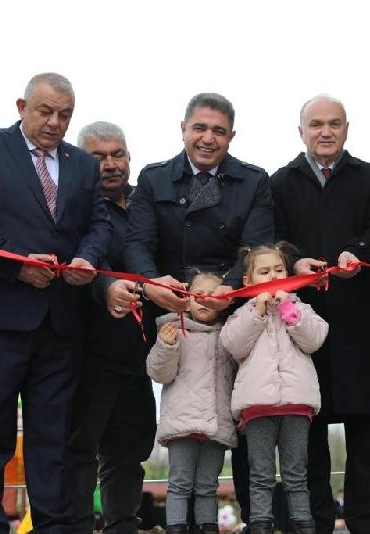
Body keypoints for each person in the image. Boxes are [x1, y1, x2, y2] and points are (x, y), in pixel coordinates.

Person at [0, 72, 111, 532]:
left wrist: (87, 258)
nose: (55, 122)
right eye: (45, 111)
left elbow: (99, 224)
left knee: (53, 440)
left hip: (60, 325)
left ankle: (51, 527)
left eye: (65, 115)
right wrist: (16, 264)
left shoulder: (82, 164)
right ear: (22, 107)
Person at [124, 92, 273, 525]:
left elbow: (256, 246)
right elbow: (137, 243)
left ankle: (253, 520)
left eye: (219, 131)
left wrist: (227, 290)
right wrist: (153, 284)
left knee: (244, 419)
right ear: (183, 129)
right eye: (200, 128)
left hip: (236, 315)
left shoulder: (254, 181)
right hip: (173, 314)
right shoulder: (153, 179)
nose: (208, 138)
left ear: (231, 136)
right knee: (177, 417)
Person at [271, 95, 370, 534]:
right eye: (316, 124)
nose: (325, 131)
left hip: (361, 321)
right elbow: (272, 239)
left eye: (334, 123)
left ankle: (367, 525)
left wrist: (359, 251)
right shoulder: (280, 183)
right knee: (307, 433)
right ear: (301, 132)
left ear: (347, 128)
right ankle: (316, 524)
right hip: (302, 324)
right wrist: (293, 262)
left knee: (367, 435)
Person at [68, 122, 157, 533]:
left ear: (129, 157)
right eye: (98, 157)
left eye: (117, 154)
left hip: (140, 354)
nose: (110, 164)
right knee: (79, 453)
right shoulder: (72, 205)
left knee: (129, 454)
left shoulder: (146, 203)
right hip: (87, 353)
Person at [220, 243, 328, 534]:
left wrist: (288, 309)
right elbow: (233, 345)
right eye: (264, 271)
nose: (273, 276)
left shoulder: (300, 307)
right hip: (257, 408)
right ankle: (260, 525)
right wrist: (257, 311)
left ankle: (303, 525)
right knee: (261, 474)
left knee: (296, 473)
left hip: (296, 404)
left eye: (279, 270)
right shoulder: (241, 314)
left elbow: (315, 339)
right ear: (248, 281)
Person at [147, 272, 237, 534]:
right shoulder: (173, 330)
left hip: (217, 425)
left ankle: (207, 527)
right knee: (179, 483)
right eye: (198, 295)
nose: (204, 300)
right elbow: (159, 373)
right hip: (182, 425)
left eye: (212, 295)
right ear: (185, 299)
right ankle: (176, 528)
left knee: (208, 485)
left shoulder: (230, 335)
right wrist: (166, 346)